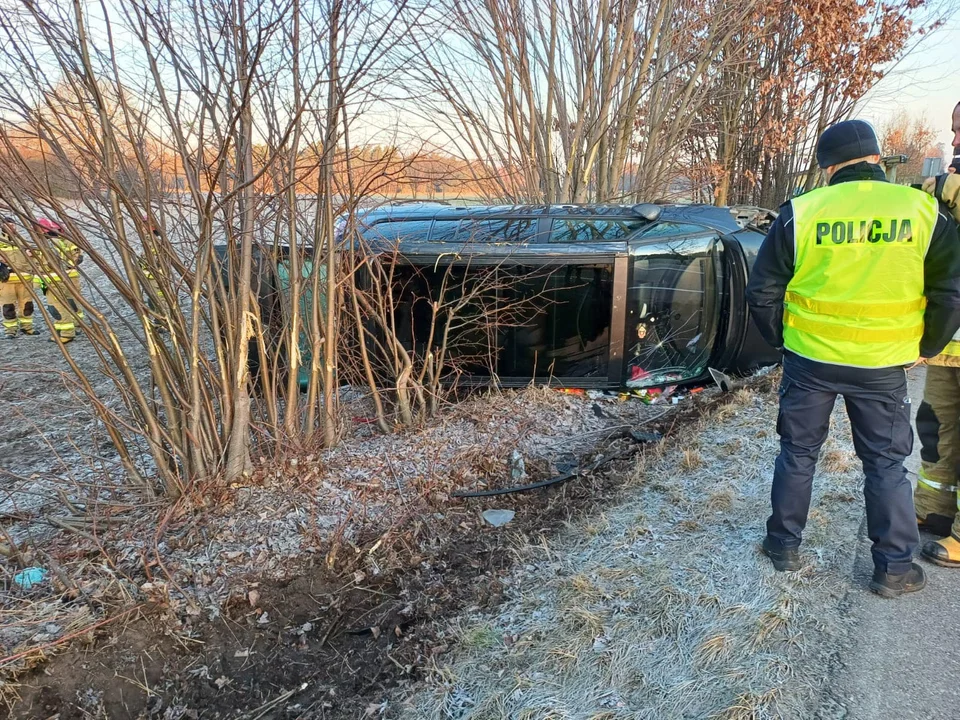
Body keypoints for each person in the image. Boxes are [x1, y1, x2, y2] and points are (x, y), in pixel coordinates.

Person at [746, 119, 960, 598]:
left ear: (828, 166)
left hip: (810, 360)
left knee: (798, 453)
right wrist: (926, 348)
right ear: (877, 159)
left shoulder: (801, 212)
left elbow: (760, 293)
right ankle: (894, 569)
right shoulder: (924, 210)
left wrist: (785, 341)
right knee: (885, 464)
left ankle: (783, 545)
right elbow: (951, 293)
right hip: (883, 364)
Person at [913, 100, 960, 567]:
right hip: (950, 341)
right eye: (955, 131)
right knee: (936, 425)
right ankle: (933, 509)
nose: (956, 141)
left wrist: (950, 190)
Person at [34, 217, 84, 343]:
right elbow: (77, 258)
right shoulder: (61, 241)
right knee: (70, 303)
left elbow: (45, 265)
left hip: (54, 281)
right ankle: (68, 328)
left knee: (57, 307)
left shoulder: (48, 245)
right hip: (66, 279)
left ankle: (66, 333)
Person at [0, 216, 38, 338]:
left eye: (13, 224)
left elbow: (34, 255)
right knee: (8, 306)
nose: (12, 227)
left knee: (27, 305)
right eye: (8, 225)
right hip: (6, 280)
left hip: (25, 279)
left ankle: (27, 328)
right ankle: (10, 330)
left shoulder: (21, 240)